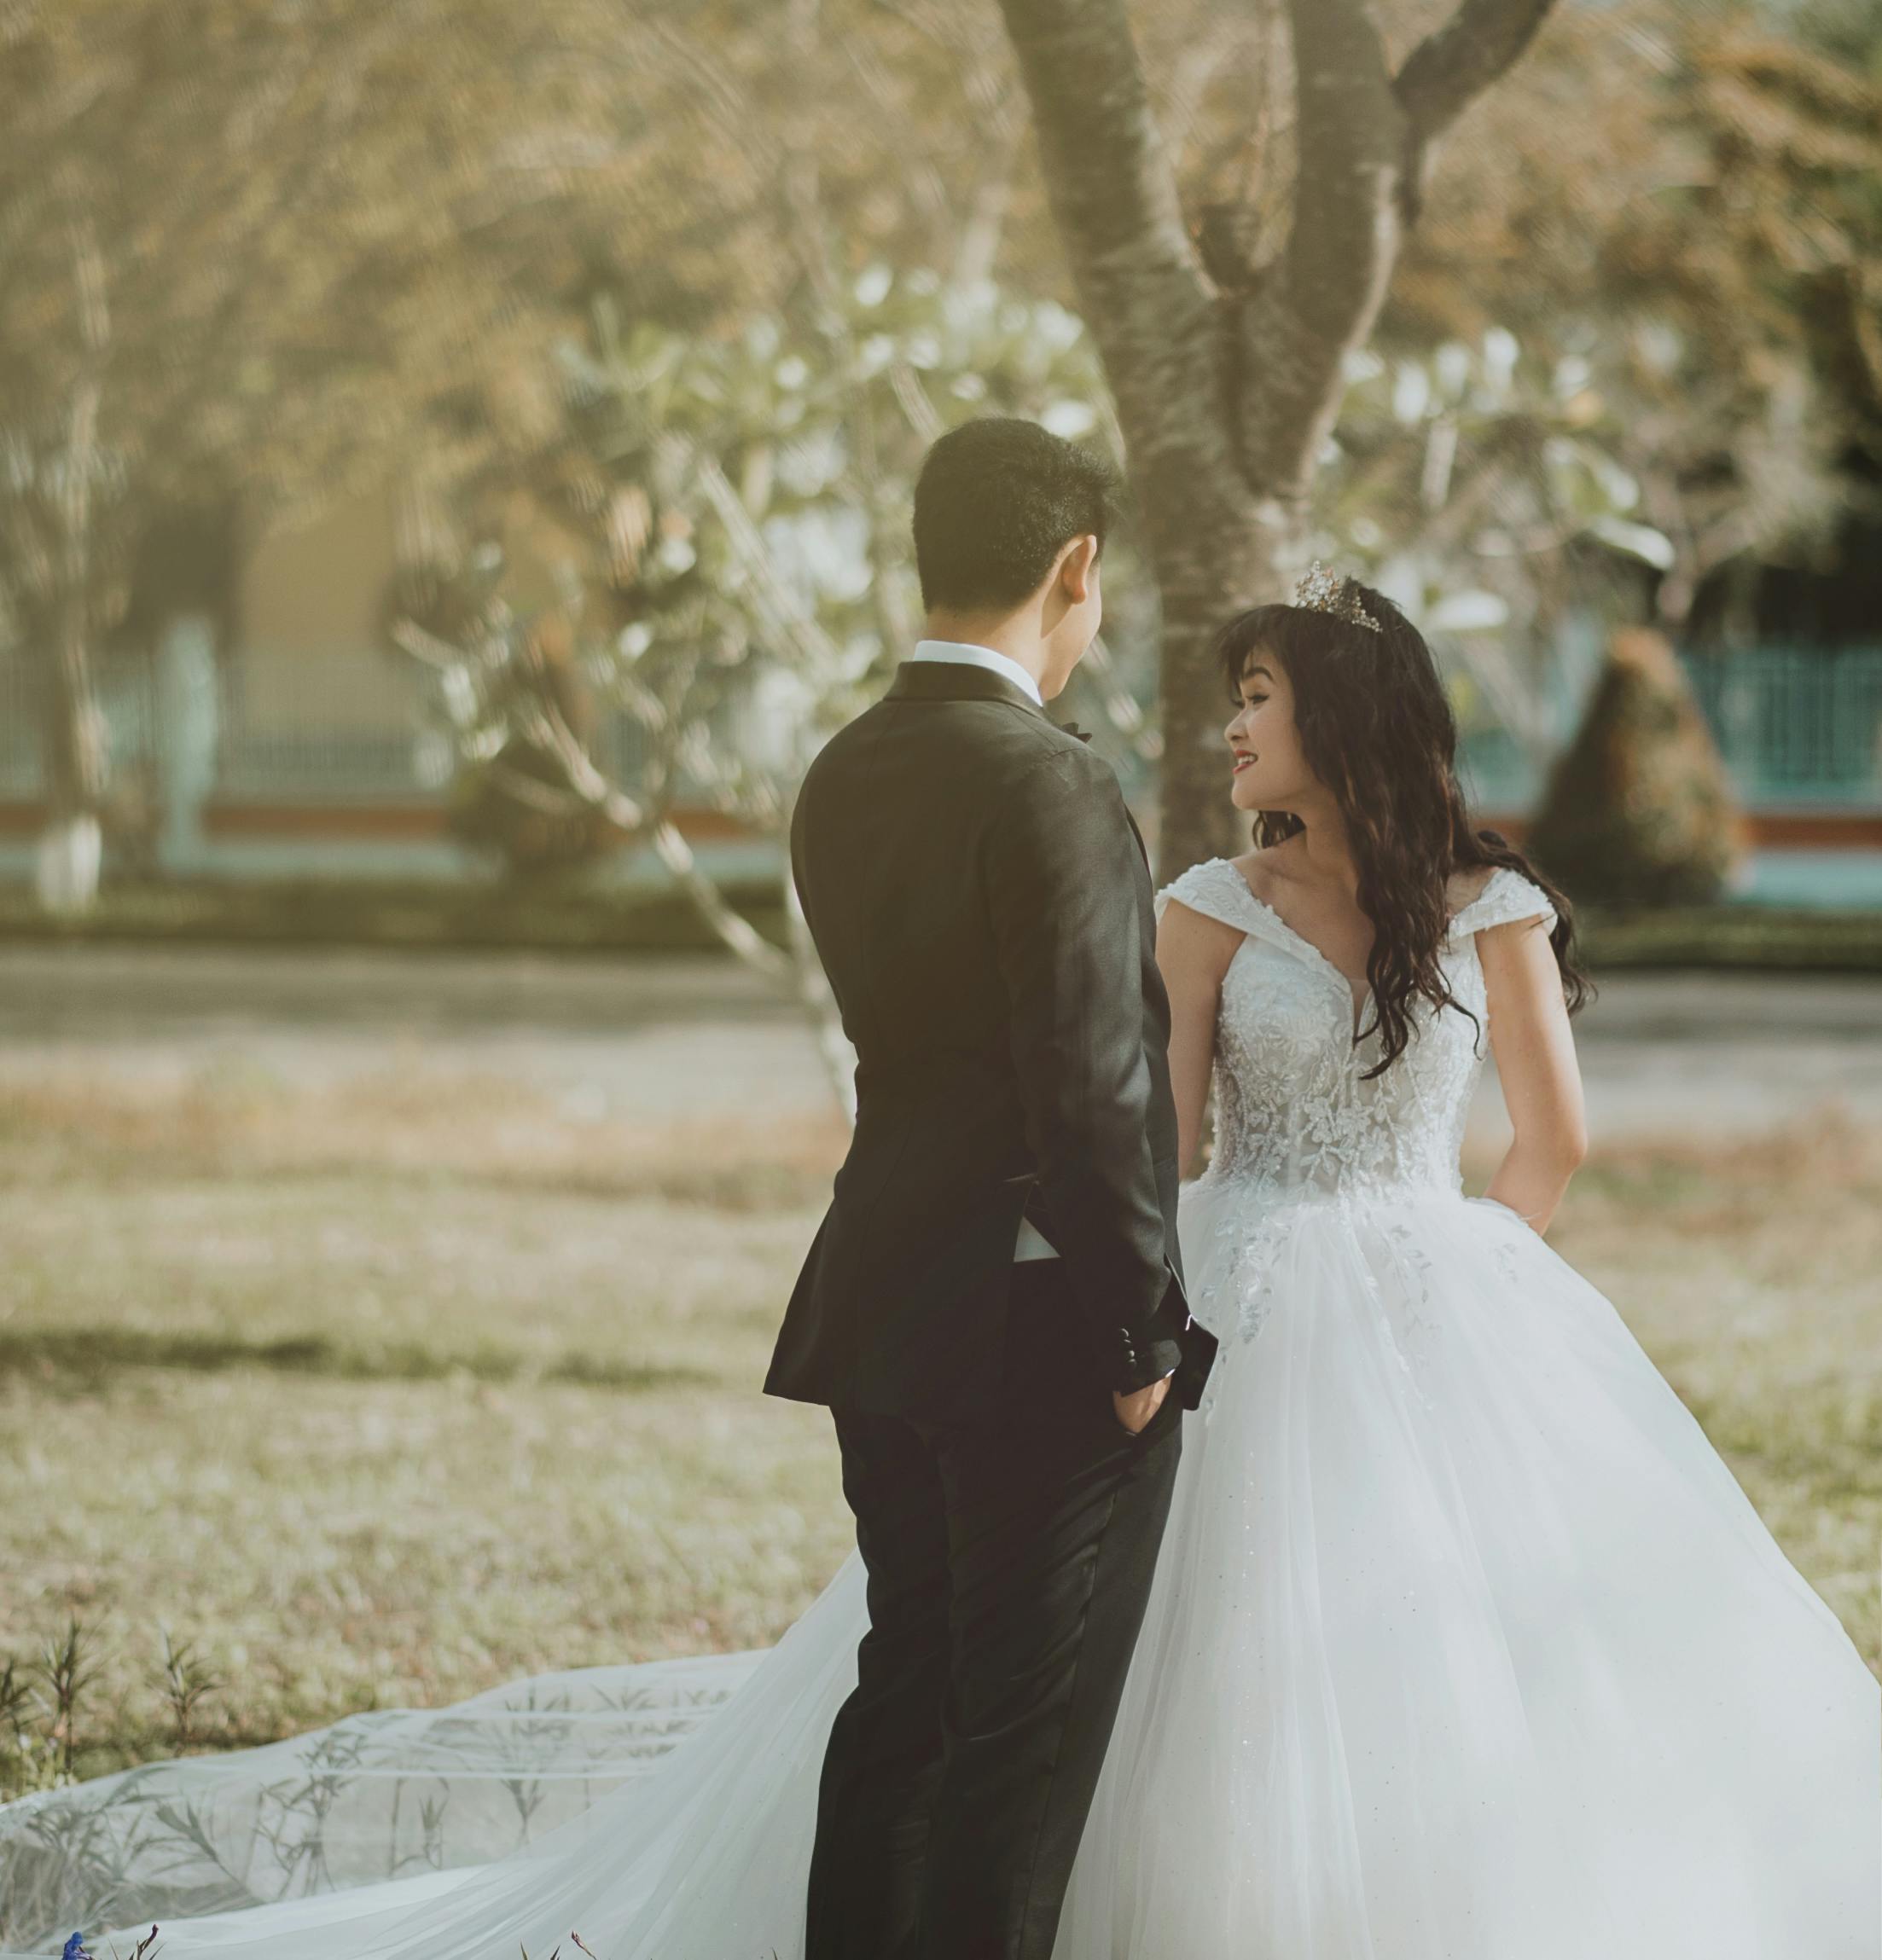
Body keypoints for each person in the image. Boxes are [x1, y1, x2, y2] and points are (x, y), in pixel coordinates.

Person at [7, 559, 1877, 1960]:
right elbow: (1144, 1135)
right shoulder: (1205, 908)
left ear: (1341, 713)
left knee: (1454, 1663)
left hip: (1433, 1299)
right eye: (1227, 697)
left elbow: (1549, 1148)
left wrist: (1442, 1279)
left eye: (1254, 696)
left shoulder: (1490, 902)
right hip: (1218, 1289)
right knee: (1149, 1664)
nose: (1228, 728)